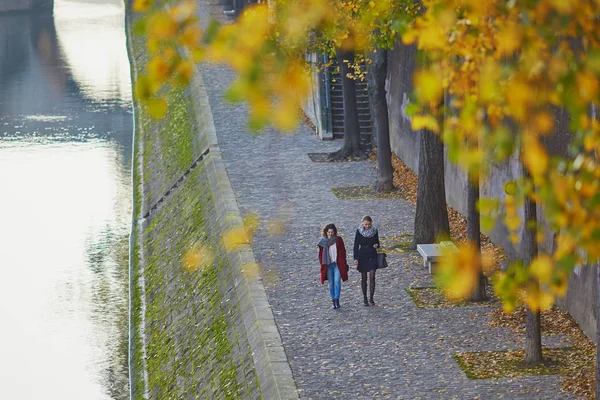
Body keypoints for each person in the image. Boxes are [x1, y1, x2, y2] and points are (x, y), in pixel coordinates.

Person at [317, 223, 348, 309]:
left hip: (337, 264)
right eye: (329, 232)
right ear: (326, 232)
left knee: (337, 281)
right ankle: (333, 299)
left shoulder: (338, 240)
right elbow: (320, 255)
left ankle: (337, 299)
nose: (330, 234)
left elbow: (343, 251)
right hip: (328, 265)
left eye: (332, 232)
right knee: (331, 283)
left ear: (334, 232)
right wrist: (322, 265)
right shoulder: (322, 242)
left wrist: (344, 261)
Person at [353, 216, 380, 306]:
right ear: (362, 223)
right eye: (365, 224)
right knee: (364, 278)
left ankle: (371, 298)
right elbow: (356, 245)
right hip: (362, 255)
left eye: (369, 224)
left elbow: (377, 242)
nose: (367, 226)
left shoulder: (374, 230)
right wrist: (355, 258)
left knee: (372, 277)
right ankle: (365, 298)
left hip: (372, 254)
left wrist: (376, 245)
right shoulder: (359, 231)